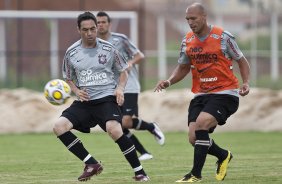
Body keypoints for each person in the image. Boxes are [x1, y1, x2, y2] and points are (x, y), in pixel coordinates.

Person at [154, 3, 250, 183]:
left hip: (225, 93)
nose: (190, 22)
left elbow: (242, 60)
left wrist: (245, 83)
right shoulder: (187, 40)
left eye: (193, 18)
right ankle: (223, 155)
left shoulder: (223, 37)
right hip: (201, 95)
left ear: (204, 17)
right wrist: (169, 81)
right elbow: (183, 67)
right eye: (187, 19)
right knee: (194, 138)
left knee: (201, 125)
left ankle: (195, 175)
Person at [53, 12, 149, 182]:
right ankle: (91, 164)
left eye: (92, 29)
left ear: (97, 28)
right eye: (85, 30)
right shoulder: (71, 52)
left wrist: (120, 88)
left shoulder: (108, 48)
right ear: (78, 30)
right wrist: (75, 90)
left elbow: (123, 71)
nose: (90, 33)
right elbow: (68, 77)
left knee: (115, 130)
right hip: (85, 102)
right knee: (59, 127)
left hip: (106, 100)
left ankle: (140, 172)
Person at [96, 11, 165, 161]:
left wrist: (130, 63)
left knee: (126, 121)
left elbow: (139, 55)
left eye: (103, 22)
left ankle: (151, 127)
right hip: (111, 89)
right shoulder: (95, 44)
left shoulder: (120, 39)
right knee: (119, 125)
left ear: (109, 24)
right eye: (98, 22)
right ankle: (144, 153)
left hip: (129, 85)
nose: (100, 25)